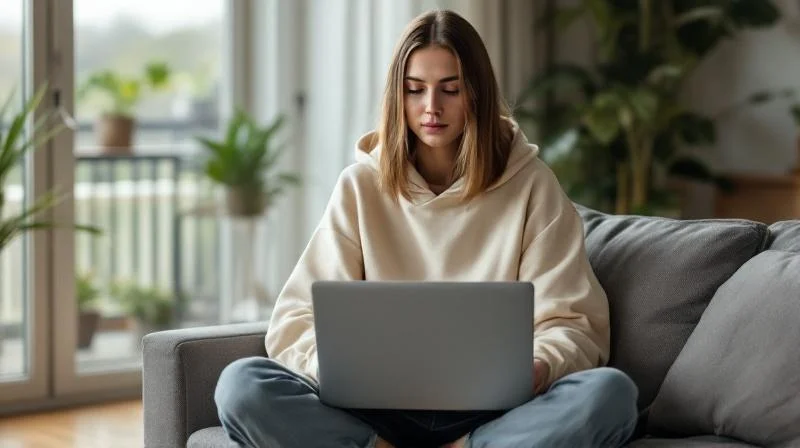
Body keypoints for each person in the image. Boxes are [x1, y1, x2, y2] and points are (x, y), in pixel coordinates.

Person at [214, 9, 639, 448]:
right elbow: (294, 319)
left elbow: (574, 323)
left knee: (610, 394)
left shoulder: (532, 186)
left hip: (493, 414)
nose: (431, 107)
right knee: (242, 385)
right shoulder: (359, 187)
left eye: (450, 90)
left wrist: (540, 365)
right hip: (374, 411)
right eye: (414, 89)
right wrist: (332, 369)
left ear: (477, 94)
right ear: (397, 96)